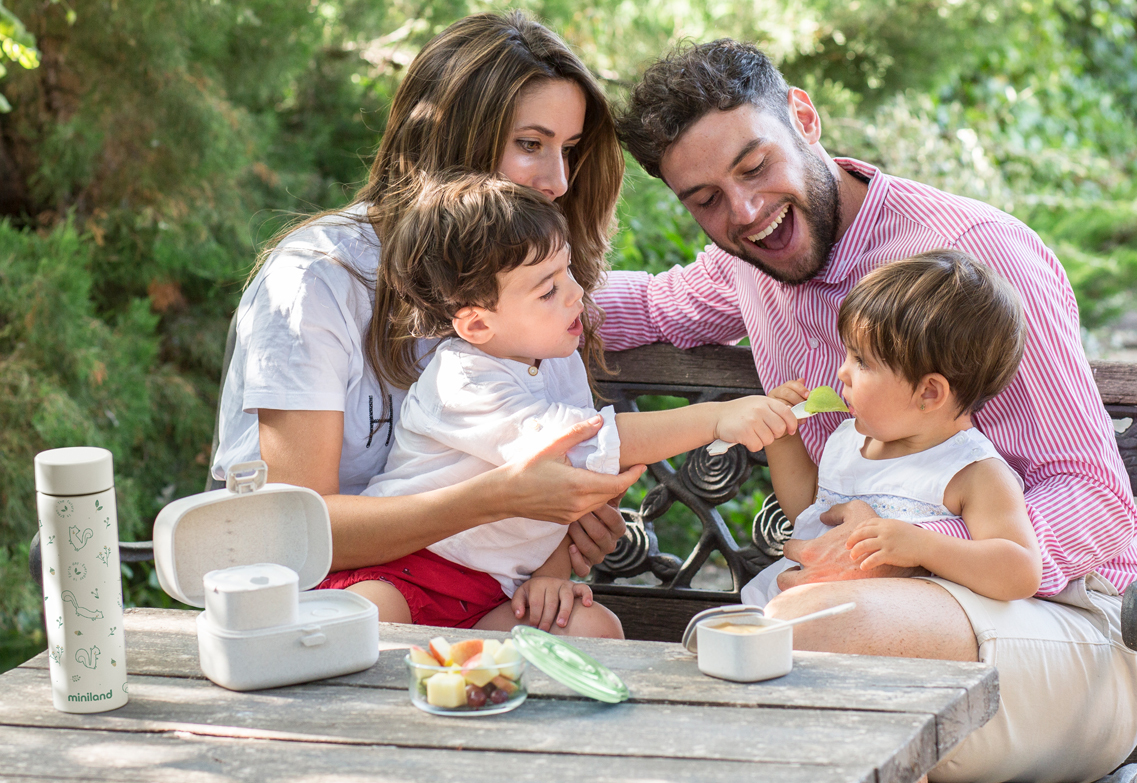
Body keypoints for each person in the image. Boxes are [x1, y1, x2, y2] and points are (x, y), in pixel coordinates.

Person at [602, 38, 1137, 782]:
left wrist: (907, 544)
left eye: (754, 166)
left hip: (1059, 631)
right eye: (705, 199)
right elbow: (647, 306)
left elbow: (1098, 503)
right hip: (860, 616)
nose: (745, 211)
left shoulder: (975, 259)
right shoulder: (748, 260)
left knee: (809, 630)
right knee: (752, 642)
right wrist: (472, 297)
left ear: (804, 118)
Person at [211, 12, 643, 627]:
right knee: (372, 623)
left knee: (589, 632)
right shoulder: (315, 280)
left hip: (475, 591)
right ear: (453, 141)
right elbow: (290, 530)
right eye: (530, 144)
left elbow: (555, 457)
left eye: (568, 150)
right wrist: (496, 499)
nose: (557, 181)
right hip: (324, 598)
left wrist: (566, 523)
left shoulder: (533, 295)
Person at [363, 169, 799, 635]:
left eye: (567, 269)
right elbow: (584, 442)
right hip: (405, 569)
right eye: (548, 290)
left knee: (595, 628)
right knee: (369, 617)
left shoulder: (556, 359)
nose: (576, 293)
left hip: (496, 590)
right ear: (477, 325)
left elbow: (567, 489)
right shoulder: (463, 380)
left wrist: (552, 574)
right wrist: (717, 418)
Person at [742, 250, 1042, 608]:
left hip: (874, 621)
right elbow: (808, 511)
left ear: (929, 393)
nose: (842, 372)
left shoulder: (973, 472)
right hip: (791, 602)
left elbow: (1020, 572)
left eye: (862, 362)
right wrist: (783, 438)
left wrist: (922, 546)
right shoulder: (850, 439)